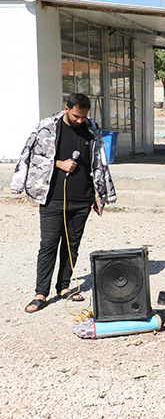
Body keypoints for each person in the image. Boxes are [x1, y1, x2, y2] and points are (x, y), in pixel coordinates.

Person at [11, 93, 116, 313]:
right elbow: (31, 156)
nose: (80, 120)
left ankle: (64, 287)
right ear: (66, 109)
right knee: (48, 245)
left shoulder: (91, 128)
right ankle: (41, 293)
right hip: (52, 197)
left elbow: (99, 161)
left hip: (82, 198)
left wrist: (99, 193)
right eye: (77, 116)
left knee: (72, 246)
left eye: (84, 116)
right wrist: (59, 163)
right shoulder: (47, 127)